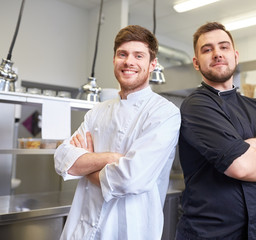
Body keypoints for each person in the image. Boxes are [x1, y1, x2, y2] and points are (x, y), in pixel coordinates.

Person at [176, 22, 256, 240]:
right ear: (196, 63)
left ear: (235, 56)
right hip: (210, 233)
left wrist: (252, 145)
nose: (217, 53)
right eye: (207, 49)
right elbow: (242, 166)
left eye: (224, 47)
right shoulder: (196, 106)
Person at [54, 25, 181, 240]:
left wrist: (85, 165)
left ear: (152, 64)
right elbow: (61, 159)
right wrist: (111, 159)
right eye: (122, 54)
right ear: (114, 60)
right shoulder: (97, 111)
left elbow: (130, 179)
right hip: (81, 229)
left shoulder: (165, 113)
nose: (129, 61)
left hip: (129, 231)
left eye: (138, 55)